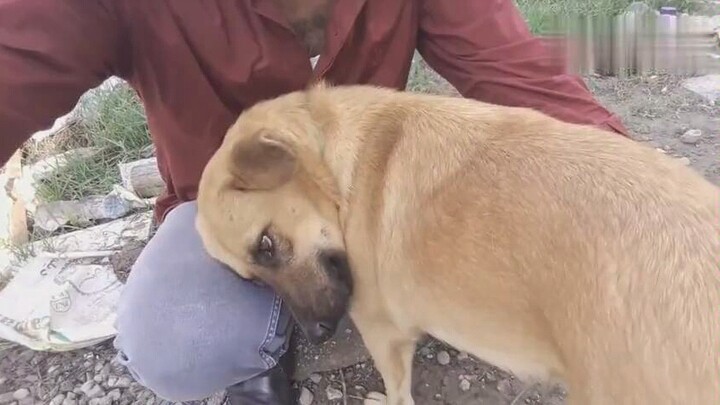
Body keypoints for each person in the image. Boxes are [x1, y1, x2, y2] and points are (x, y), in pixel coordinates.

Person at [0, 0, 630, 403]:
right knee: (178, 340)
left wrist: (652, 206)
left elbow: (526, 79)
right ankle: (258, 340)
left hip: (369, 196)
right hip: (215, 217)